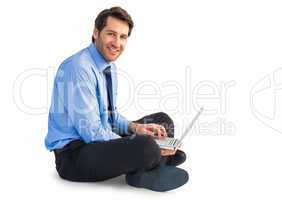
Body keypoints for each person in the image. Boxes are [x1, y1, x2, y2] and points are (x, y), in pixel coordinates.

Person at [45, 6, 188, 192]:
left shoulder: (108, 66)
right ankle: (151, 161)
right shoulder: (78, 68)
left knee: (162, 121)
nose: (117, 43)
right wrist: (140, 143)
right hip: (74, 156)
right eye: (111, 34)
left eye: (123, 37)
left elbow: (110, 118)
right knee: (145, 145)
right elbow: (92, 133)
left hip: (98, 140)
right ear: (96, 33)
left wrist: (137, 128)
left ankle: (149, 161)